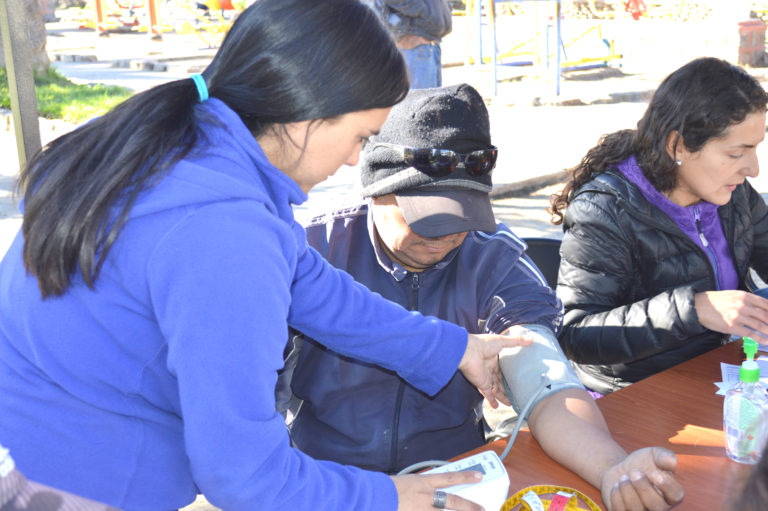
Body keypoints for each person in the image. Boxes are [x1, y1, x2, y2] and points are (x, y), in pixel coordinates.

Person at [0, 1, 531, 510]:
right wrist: (388, 497)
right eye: (360, 137)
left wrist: (453, 347)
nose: (354, 162)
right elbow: (245, 475)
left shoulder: (191, 145)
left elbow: (315, 289)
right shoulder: (225, 232)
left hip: (36, 442)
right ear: (307, 114)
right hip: (82, 481)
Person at [288, 83, 685, 511]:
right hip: (326, 484)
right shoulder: (311, 251)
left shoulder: (493, 257)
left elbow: (547, 385)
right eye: (428, 219)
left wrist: (612, 467)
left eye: (463, 216)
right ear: (376, 189)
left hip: (453, 477)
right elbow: (248, 407)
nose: (445, 238)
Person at [549, 57, 768, 395]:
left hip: (713, 374)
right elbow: (576, 334)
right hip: (629, 395)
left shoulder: (733, 194)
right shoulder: (605, 210)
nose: (752, 169)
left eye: (756, 149)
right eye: (737, 153)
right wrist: (694, 309)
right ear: (678, 146)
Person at [370, 0, 452, 88]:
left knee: (433, 97)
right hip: (414, 45)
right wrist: (423, 11)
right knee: (421, 99)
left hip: (430, 43)